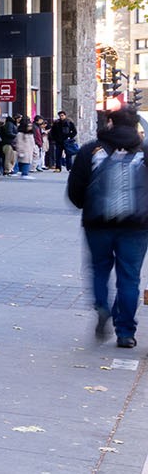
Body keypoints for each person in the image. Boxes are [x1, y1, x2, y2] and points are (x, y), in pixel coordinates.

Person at [66, 108, 148, 349]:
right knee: (129, 277)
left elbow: (75, 188)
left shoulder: (90, 150)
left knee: (99, 268)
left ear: (110, 123)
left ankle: (102, 306)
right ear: (135, 126)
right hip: (136, 225)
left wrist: (86, 206)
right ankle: (125, 333)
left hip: (97, 223)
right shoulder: (144, 151)